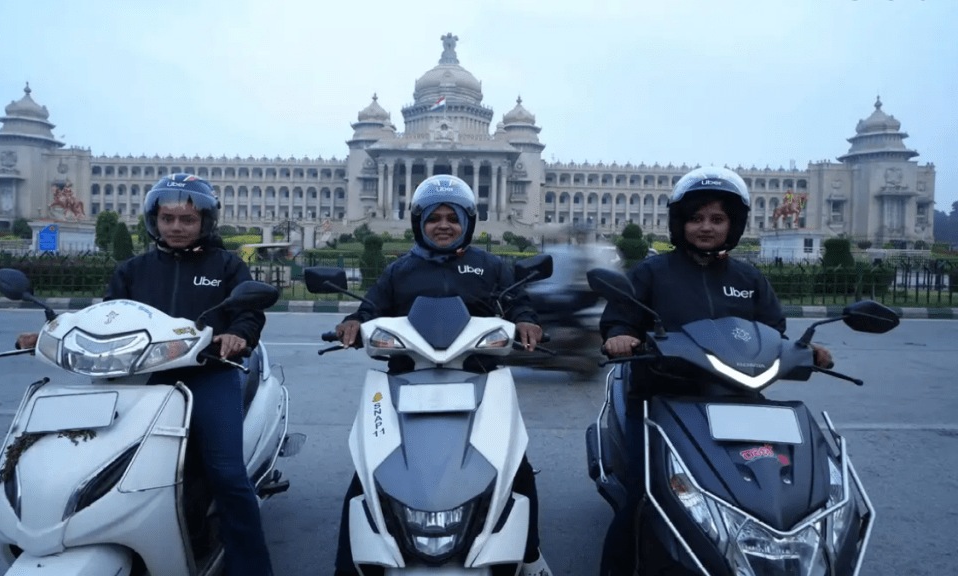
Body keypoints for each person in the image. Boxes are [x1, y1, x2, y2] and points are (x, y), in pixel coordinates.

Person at [16, 173, 273, 576]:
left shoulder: (226, 266)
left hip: (207, 375)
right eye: (168, 218)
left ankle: (251, 569)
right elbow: (106, 317)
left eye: (187, 220)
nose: (176, 227)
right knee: (90, 457)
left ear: (205, 222)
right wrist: (53, 333)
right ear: (155, 220)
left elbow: (249, 313)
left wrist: (237, 335)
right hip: (137, 379)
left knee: (226, 473)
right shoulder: (133, 270)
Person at [596, 166, 833, 576]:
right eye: (696, 218)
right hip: (661, 398)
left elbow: (772, 332)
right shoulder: (652, 273)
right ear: (680, 223)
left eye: (717, 219)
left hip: (738, 397)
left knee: (770, 487)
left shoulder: (748, 278)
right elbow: (621, 316)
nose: (706, 227)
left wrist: (803, 351)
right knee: (642, 496)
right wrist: (620, 336)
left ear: (732, 225)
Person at [331, 174, 553, 576]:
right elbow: (371, 307)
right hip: (407, 378)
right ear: (419, 223)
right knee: (369, 473)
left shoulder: (490, 266)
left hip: (478, 376)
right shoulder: (401, 270)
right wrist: (353, 322)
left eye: (453, 218)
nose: (443, 226)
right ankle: (348, 566)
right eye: (434, 218)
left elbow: (518, 303)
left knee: (515, 468)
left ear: (469, 221)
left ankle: (531, 553)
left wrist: (526, 322)